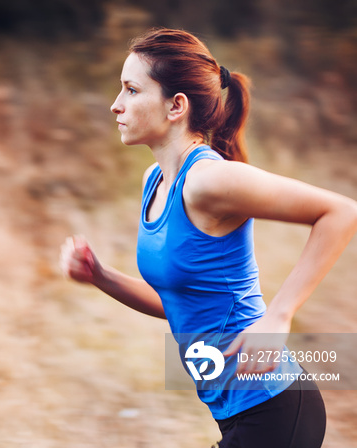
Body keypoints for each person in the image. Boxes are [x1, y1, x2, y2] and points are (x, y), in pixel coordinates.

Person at [59, 28, 357, 448]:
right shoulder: (156, 183)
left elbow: (340, 212)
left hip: (271, 409)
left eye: (131, 90)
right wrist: (101, 276)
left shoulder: (209, 181)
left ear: (176, 105)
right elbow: (179, 306)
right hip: (237, 412)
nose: (116, 104)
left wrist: (279, 316)